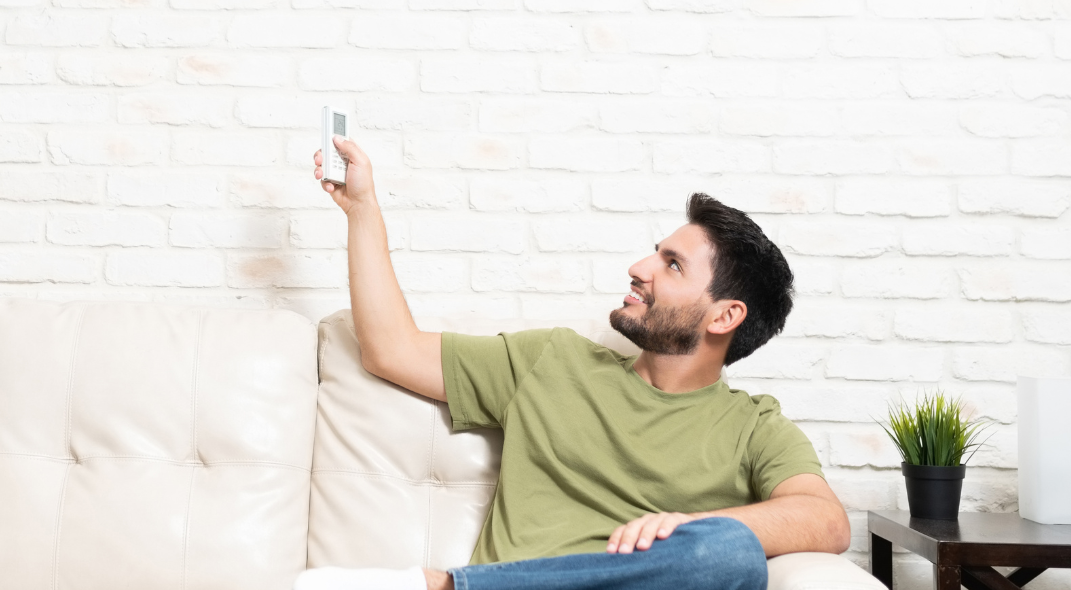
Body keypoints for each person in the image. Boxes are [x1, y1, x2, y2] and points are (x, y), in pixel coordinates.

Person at [297, 136, 851, 590]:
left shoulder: (753, 426)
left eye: (672, 265)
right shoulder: (552, 361)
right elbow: (391, 349)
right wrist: (363, 211)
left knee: (728, 554)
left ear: (724, 316)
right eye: (654, 253)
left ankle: (444, 588)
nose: (639, 268)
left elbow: (827, 521)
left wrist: (692, 528)